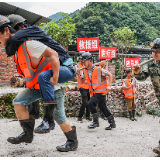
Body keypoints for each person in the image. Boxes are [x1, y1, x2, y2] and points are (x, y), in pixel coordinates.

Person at [0, 15, 78, 152]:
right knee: (18, 101)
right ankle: (27, 134)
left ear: (6, 30)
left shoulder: (29, 44)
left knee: (59, 115)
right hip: (39, 85)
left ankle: (72, 140)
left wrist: (54, 77)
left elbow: (53, 55)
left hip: (52, 83)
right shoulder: (17, 49)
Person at [132, 38, 160, 156]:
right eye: (153, 51)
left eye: (157, 51)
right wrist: (137, 72)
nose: (154, 54)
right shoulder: (151, 64)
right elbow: (142, 77)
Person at [77, 52, 116, 130]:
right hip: (94, 92)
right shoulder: (85, 71)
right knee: (103, 107)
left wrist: (109, 85)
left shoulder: (98, 69)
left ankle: (95, 122)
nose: (83, 63)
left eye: (84, 61)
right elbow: (81, 82)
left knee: (91, 103)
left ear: (90, 60)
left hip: (101, 91)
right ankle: (112, 123)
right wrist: (77, 73)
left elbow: (110, 75)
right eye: (82, 62)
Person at [76, 51, 92, 123]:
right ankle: (80, 116)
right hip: (82, 86)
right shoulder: (78, 66)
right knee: (85, 102)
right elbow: (80, 76)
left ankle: (88, 116)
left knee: (89, 102)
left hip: (88, 86)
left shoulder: (88, 66)